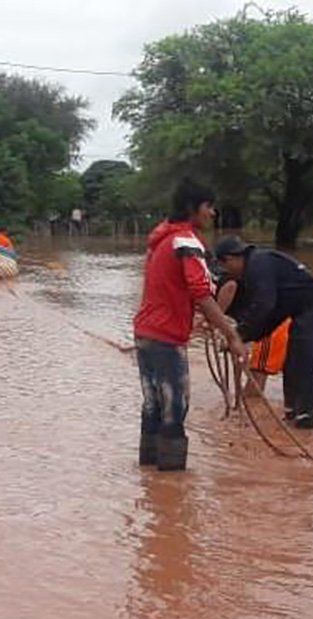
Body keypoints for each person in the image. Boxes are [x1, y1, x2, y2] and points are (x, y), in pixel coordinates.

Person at [133, 179, 247, 472]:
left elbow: (168, 288)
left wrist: (194, 317)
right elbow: (201, 292)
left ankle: (151, 480)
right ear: (192, 209)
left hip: (145, 333)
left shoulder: (160, 240)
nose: (213, 213)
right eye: (208, 206)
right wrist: (231, 333)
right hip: (165, 337)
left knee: (153, 404)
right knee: (175, 407)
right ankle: (172, 487)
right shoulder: (186, 241)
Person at [214, 235, 313, 429]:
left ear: (230, 259)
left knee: (306, 364)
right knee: (292, 365)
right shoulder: (257, 266)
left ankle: (305, 423)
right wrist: (240, 335)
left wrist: (238, 333)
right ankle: (292, 417)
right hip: (299, 312)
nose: (227, 273)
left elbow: (264, 305)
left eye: (225, 267)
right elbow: (271, 316)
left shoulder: (257, 264)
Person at [215, 278, 291, 398]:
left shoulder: (228, 282)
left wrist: (213, 321)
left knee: (257, 375)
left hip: (271, 326)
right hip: (277, 320)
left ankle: (251, 410)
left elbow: (230, 287)